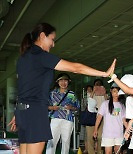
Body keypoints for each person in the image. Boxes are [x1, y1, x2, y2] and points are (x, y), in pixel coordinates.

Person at [7, 22, 116, 154]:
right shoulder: (41, 56)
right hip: (35, 111)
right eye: (52, 40)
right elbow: (76, 68)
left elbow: (23, 86)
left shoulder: (23, 58)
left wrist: (18, 111)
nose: (53, 44)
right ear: (42, 36)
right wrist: (104, 73)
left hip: (23, 112)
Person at [46, 73, 79, 154]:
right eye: (61, 80)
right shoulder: (52, 93)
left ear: (68, 82)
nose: (63, 83)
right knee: (52, 141)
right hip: (55, 119)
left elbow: (77, 107)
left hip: (68, 120)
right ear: (58, 82)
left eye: (65, 81)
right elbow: (44, 106)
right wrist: (52, 108)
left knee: (66, 142)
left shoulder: (72, 94)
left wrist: (71, 107)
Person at [93, 83, 127, 154]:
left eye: (118, 92)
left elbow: (124, 120)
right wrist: (95, 130)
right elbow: (99, 117)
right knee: (108, 152)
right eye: (114, 91)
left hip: (119, 133)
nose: (116, 94)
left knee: (118, 152)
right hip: (108, 134)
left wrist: (128, 130)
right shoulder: (105, 104)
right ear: (111, 91)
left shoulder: (122, 105)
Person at [89, 79, 108, 154]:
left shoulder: (104, 94)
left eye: (99, 84)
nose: (98, 86)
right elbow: (89, 103)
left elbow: (107, 102)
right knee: (90, 136)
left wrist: (104, 93)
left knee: (100, 136)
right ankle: (91, 152)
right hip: (92, 116)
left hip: (101, 117)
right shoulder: (91, 94)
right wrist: (93, 91)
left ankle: (100, 151)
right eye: (96, 84)